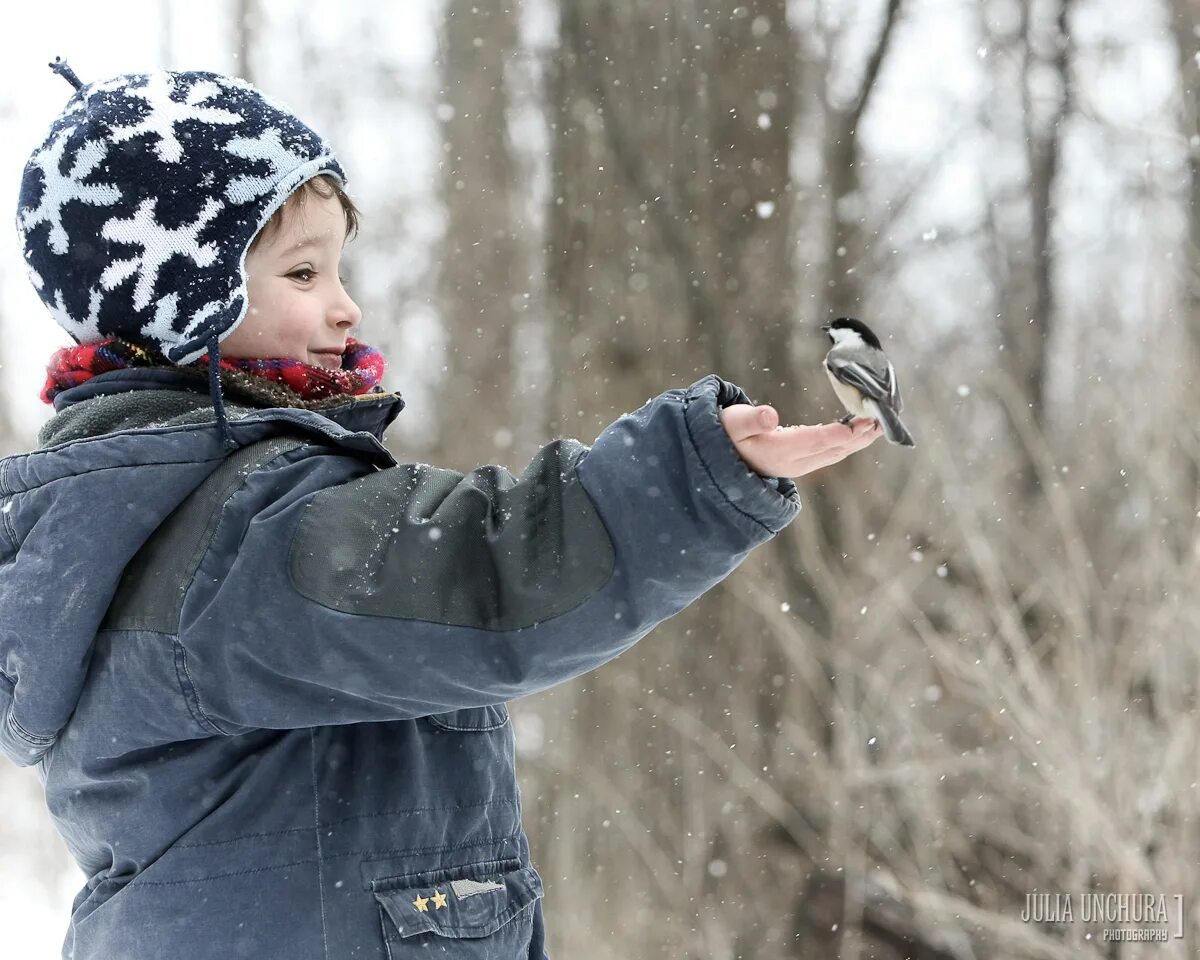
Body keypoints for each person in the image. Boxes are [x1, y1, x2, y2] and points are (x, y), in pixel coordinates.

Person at [0, 62, 880, 960]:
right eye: (303, 273)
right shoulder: (235, 534)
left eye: (338, 267)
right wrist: (690, 473)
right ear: (179, 302)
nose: (347, 306)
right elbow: (484, 576)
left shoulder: (138, 518)